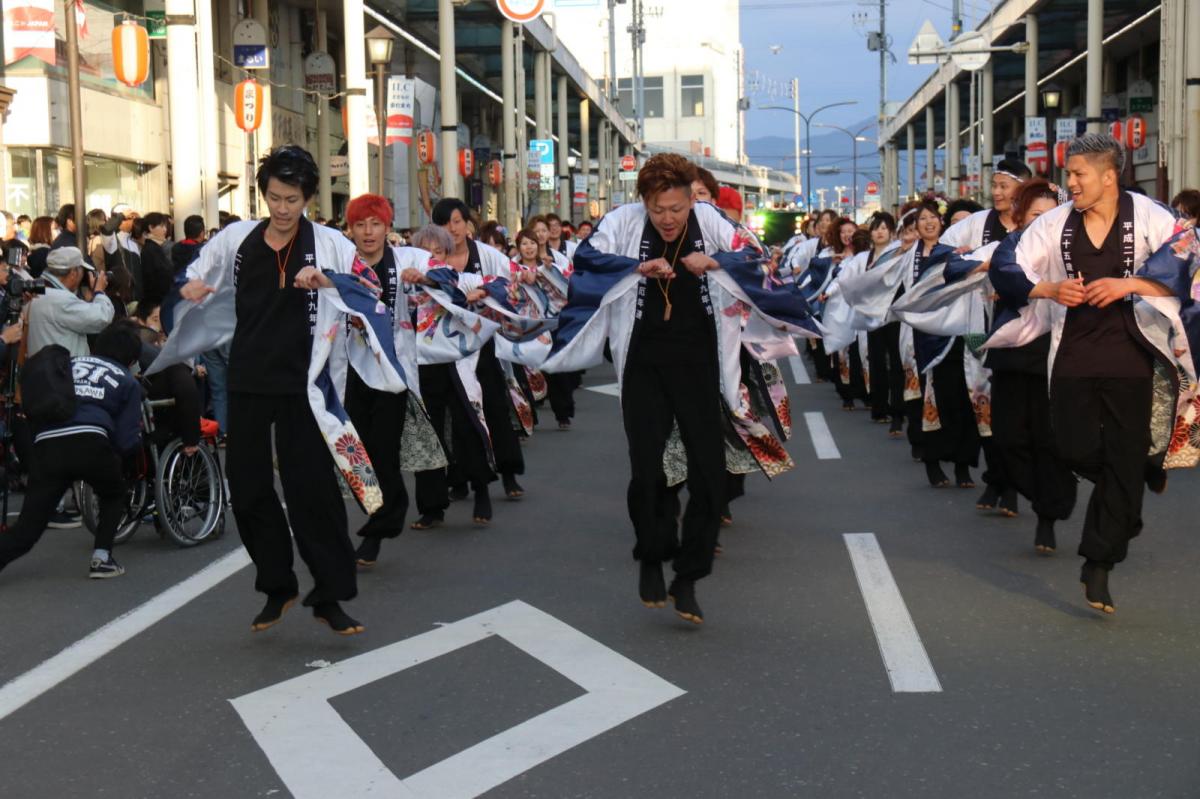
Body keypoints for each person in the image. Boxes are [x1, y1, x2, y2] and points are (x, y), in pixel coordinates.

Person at [542, 153, 817, 625]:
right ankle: (651, 556)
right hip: (645, 361)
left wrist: (713, 261)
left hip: (700, 361)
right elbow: (586, 258)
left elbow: (753, 256)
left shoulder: (710, 221)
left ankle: (688, 577)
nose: (667, 219)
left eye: (676, 208)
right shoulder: (623, 222)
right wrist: (636, 267)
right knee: (647, 471)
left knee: (709, 475)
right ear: (644, 203)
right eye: (657, 210)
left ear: (692, 199)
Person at [175, 145, 402, 635]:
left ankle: (330, 595)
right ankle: (278, 586)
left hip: (307, 385)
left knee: (312, 492)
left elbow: (370, 292)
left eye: (292, 199)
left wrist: (328, 281)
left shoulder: (330, 244)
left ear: (307, 199)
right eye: (275, 197)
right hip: (248, 380)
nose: (282, 208)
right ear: (264, 195)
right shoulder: (237, 239)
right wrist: (190, 287)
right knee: (250, 488)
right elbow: (193, 272)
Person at [989, 133, 1183, 614]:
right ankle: (1129, 489)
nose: (1069, 183)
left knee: (1121, 452)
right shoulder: (1055, 223)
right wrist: (1048, 289)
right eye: (1068, 173)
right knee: (1073, 447)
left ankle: (1099, 562)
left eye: (1078, 174)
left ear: (1109, 176)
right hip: (1073, 353)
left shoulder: (1152, 217)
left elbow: (1186, 256)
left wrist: (1130, 284)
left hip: (1132, 355)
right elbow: (1006, 264)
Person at [0, 323, 142, 579]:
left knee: (27, 528)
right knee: (113, 494)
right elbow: (126, 440)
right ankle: (102, 558)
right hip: (92, 441)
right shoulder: (126, 379)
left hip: (47, 444)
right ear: (132, 359)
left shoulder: (70, 363)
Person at [982, 179, 1078, 551]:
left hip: (1056, 353)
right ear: (1021, 217)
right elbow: (1004, 276)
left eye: (1052, 213)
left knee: (1048, 439)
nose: (1045, 220)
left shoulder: (1073, 247)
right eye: (1037, 214)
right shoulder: (1013, 246)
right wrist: (1046, 288)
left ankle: (1048, 516)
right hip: (1013, 352)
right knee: (1008, 437)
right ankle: (1040, 495)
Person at [26, 247, 114, 358]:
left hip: (41, 368)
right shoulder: (62, 300)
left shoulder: (34, 291)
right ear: (73, 273)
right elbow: (102, 317)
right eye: (82, 271)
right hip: (61, 371)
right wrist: (99, 292)